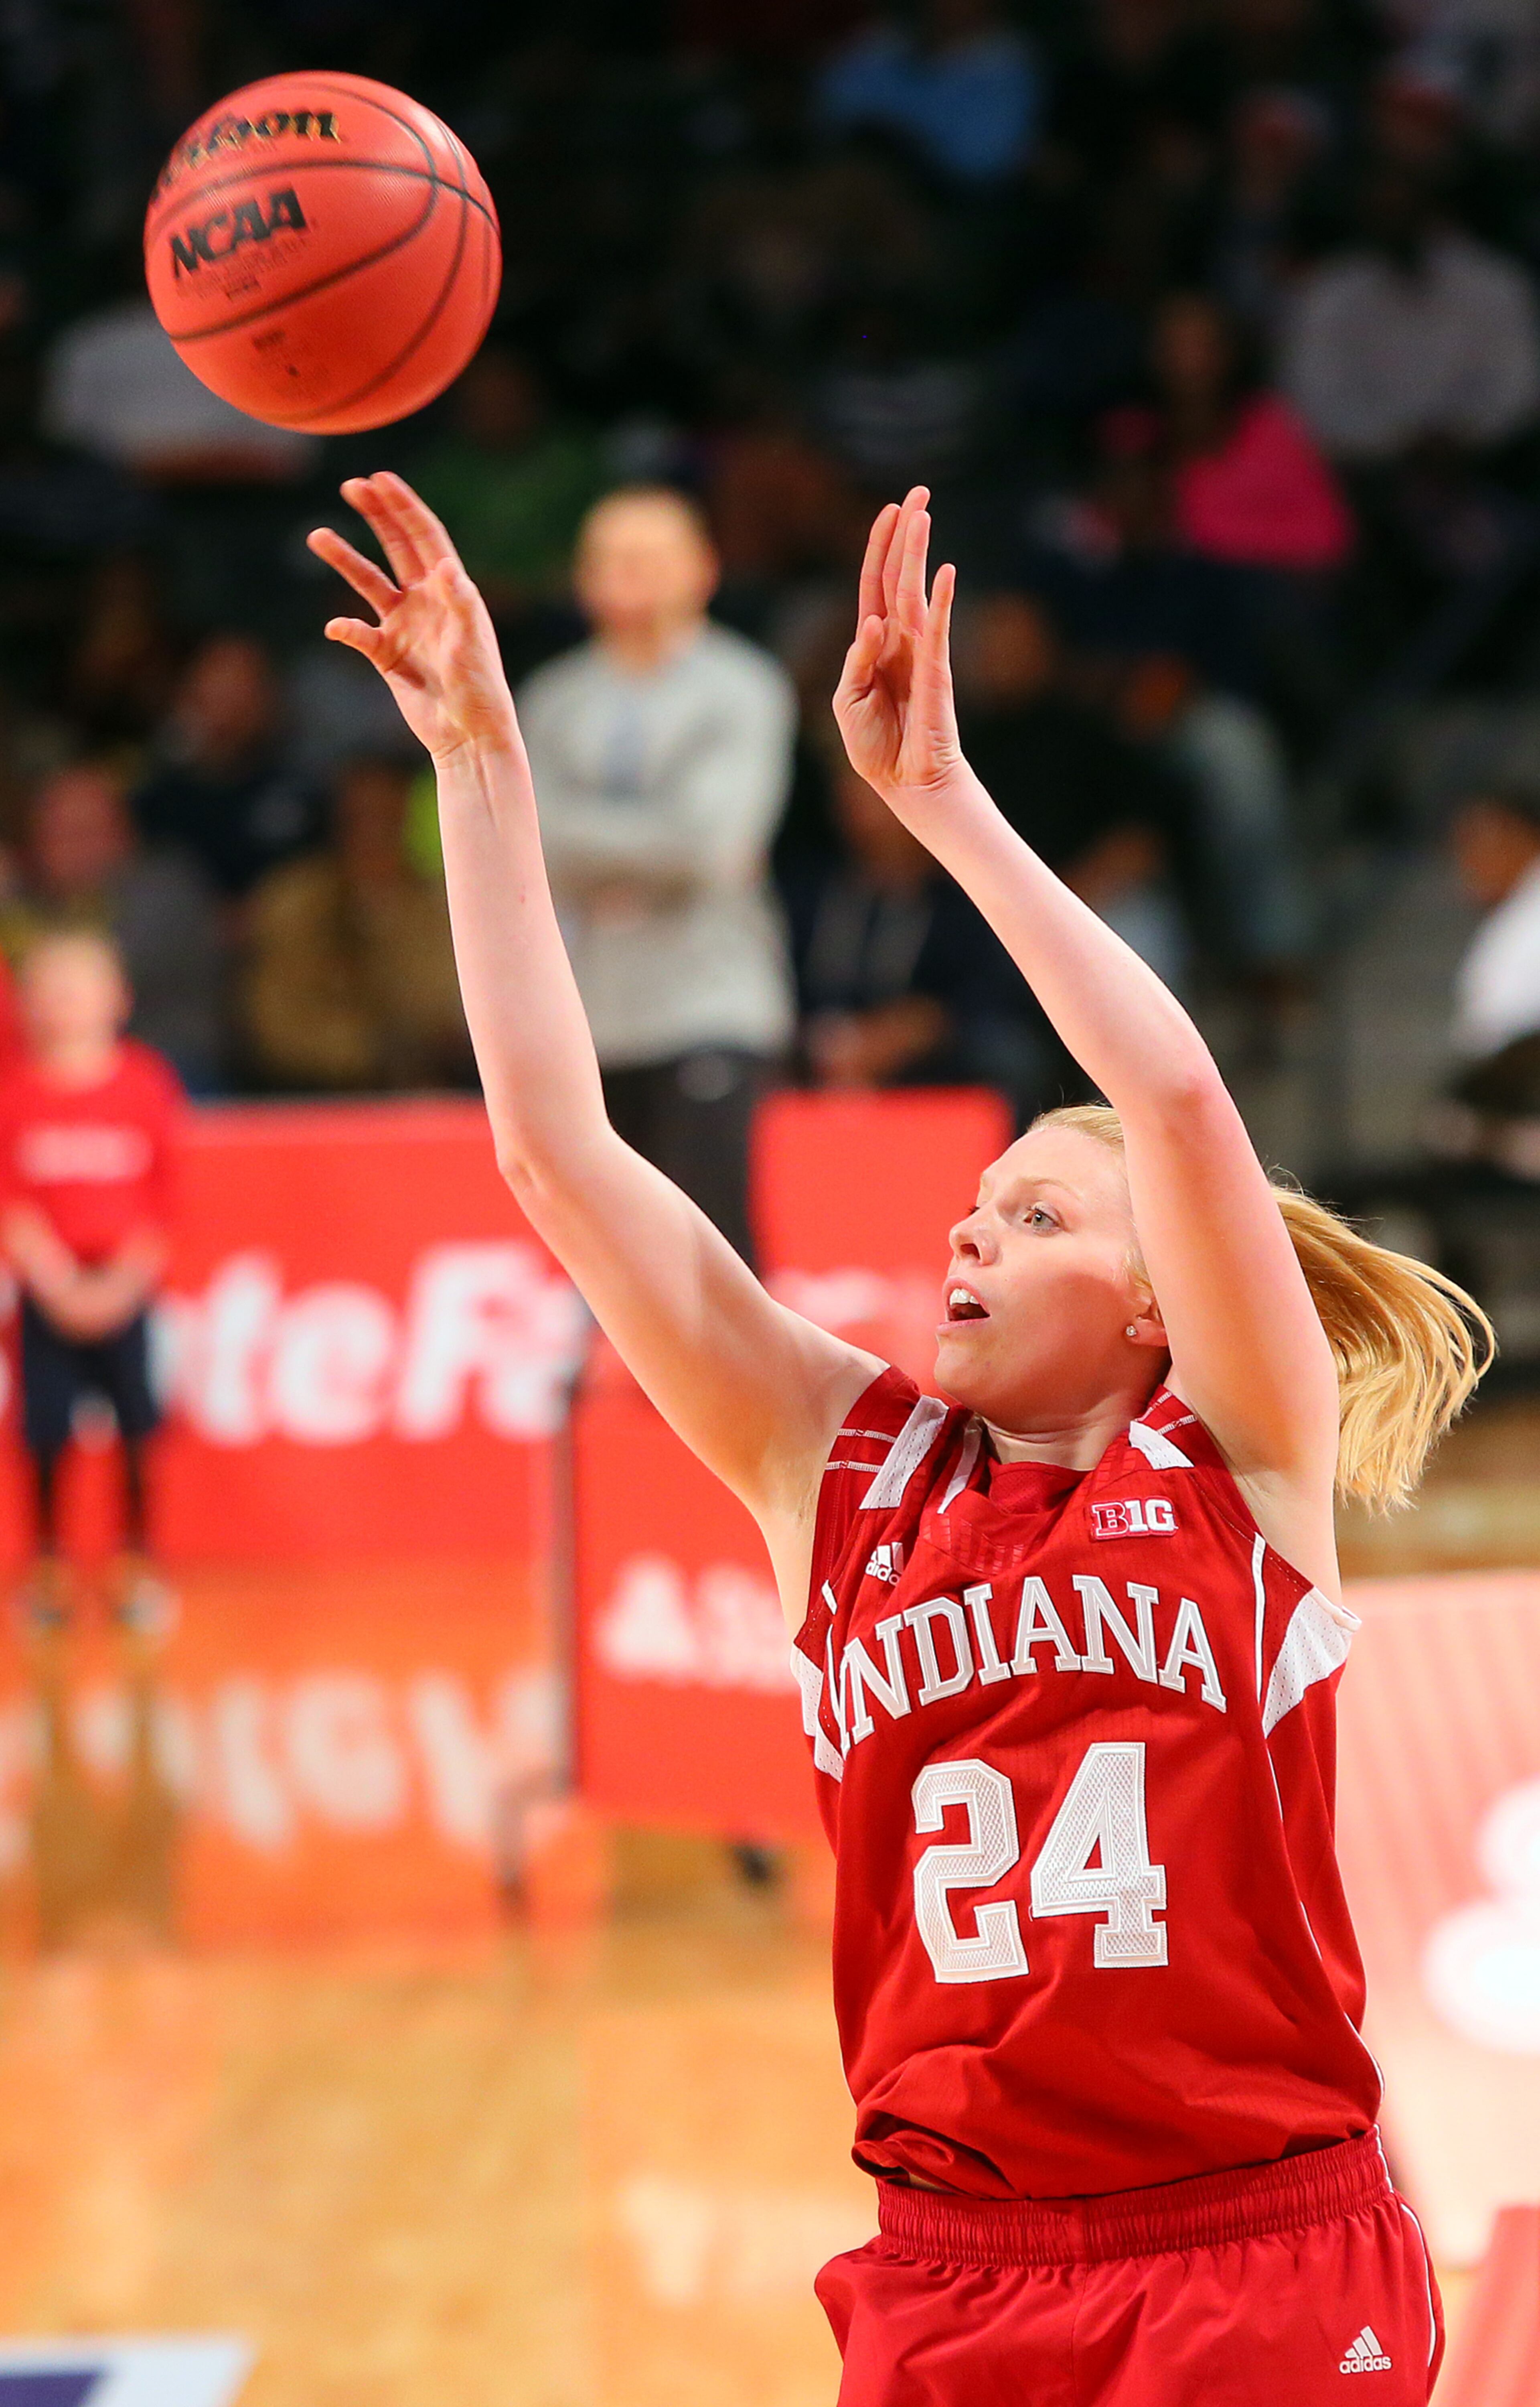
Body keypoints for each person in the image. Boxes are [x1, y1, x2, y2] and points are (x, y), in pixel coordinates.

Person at [310, 471, 1488, 2403]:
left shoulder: (1239, 1464)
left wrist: (939, 803)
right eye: (978, 1198)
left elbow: (1178, 1097)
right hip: (959, 2261)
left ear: (1151, 1307)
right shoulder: (830, 1468)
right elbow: (554, 1151)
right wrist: (481, 756)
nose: (970, 1224)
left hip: (1258, 2244)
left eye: (1038, 1214)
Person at [517, 487, 796, 1264]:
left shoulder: (743, 688)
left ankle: (752, 1394)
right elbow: (518, 848)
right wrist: (652, 843)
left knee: (718, 1247)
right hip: (591, 1013)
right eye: (607, 559)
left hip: (709, 1000)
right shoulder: (551, 699)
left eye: (647, 557)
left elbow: (714, 847)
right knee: (610, 1257)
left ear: (702, 569)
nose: (625, 575)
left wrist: (574, 838)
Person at [0, 930, 182, 1630]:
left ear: (119, 998)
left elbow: (163, 1199)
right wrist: (56, 1284)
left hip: (124, 1293)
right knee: (45, 1432)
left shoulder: (144, 1084)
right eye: (52, 989)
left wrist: (120, 1287)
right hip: (48, 1294)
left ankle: (136, 1562)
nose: (68, 1004)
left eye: (82, 987)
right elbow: (13, 1202)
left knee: (138, 1426)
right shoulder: (18, 1093)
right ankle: (47, 1566)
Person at [241, 754, 472, 1094]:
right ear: (337, 821)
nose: (373, 832)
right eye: (360, 818)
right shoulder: (293, 902)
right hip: (305, 1095)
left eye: (387, 817)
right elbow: (276, 1022)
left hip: (426, 1092)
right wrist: (371, 1054)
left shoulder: (443, 904)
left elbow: (446, 1010)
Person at [2, 762, 225, 1091]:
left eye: (89, 831)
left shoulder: (165, 888)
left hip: (172, 1065)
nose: (75, 847)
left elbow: (87, 973)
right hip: (49, 1070)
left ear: (125, 834)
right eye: (58, 832)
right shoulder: (29, 895)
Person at [134, 634, 324, 903]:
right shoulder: (157, 794)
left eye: (244, 686)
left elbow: (313, 877)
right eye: (220, 685)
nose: (232, 700)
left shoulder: (300, 792)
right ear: (189, 695)